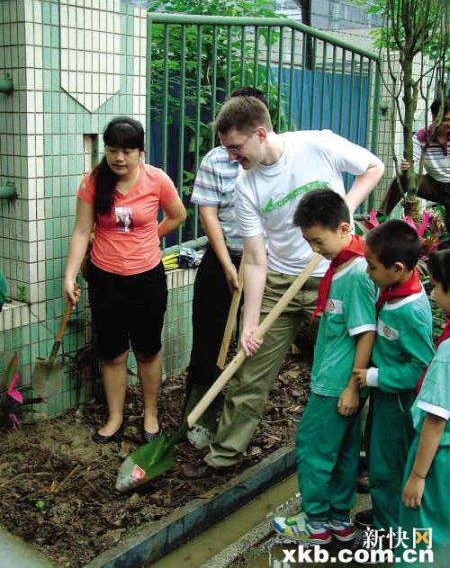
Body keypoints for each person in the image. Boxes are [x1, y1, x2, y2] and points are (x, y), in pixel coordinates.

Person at [181, 95, 384, 478]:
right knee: (250, 369)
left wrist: (344, 207)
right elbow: (255, 259)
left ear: (260, 133)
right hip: (279, 279)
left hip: (336, 276)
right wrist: (250, 324)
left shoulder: (316, 144)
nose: (231, 156)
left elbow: (374, 166)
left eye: (236, 147)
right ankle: (225, 454)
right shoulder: (246, 187)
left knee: (351, 371)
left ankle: (359, 458)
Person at [64, 117, 186, 444]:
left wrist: (151, 236)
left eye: (127, 151)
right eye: (113, 150)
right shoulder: (93, 182)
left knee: (147, 350)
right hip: (106, 280)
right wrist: (70, 273)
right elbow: (80, 231)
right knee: (113, 353)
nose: (119, 157)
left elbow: (178, 215)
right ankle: (115, 416)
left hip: (147, 279)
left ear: (140, 151)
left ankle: (150, 413)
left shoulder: (156, 180)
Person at [271, 189, 377, 544]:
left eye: (318, 241)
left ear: (344, 229)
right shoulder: (345, 265)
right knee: (344, 451)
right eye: (309, 243)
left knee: (313, 446)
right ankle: (338, 522)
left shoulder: (358, 274)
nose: (315, 250)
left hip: (336, 383)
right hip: (336, 378)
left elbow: (366, 335)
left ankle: (315, 522)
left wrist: (350, 386)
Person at [184, 87, 269, 449]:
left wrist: (253, 268)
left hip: (265, 263)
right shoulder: (215, 160)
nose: (234, 153)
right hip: (224, 257)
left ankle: (236, 421)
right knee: (209, 339)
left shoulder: (273, 160)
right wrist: (226, 265)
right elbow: (208, 212)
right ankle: (198, 415)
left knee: (250, 344)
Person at [353, 220, 434, 532]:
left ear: (397, 268)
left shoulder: (409, 311)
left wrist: (376, 377)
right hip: (385, 396)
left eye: (372, 267)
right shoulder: (394, 290)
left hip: (398, 402)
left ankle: (391, 529)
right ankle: (386, 512)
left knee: (388, 464)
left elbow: (420, 365)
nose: (367, 273)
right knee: (379, 458)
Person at [399, 248, 450, 568]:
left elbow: (435, 419)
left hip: (438, 460)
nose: (431, 292)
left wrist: (418, 475)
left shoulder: (446, 353)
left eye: (437, 285)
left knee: (421, 533)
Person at [378, 96, 450, 231]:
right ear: (435, 118)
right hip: (433, 184)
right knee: (402, 178)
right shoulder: (421, 137)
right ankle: (379, 219)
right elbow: (411, 162)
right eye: (446, 120)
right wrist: (407, 168)